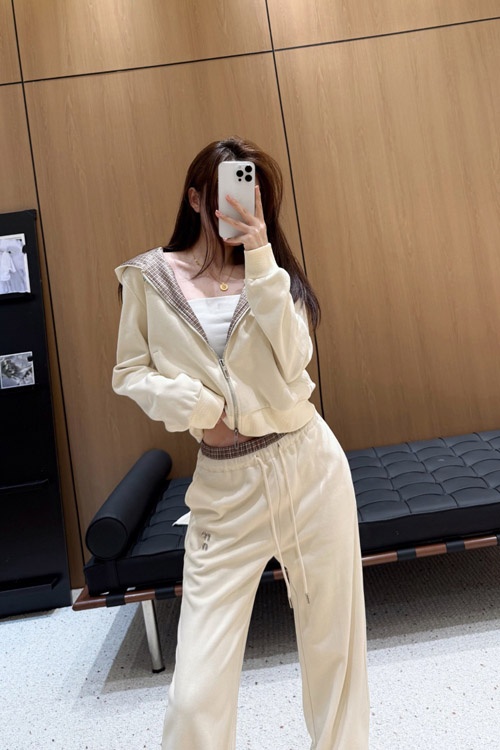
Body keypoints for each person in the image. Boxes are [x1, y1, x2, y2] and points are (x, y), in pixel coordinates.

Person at [112, 137, 370, 749]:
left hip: (309, 467)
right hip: (225, 490)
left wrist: (261, 259)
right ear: (195, 198)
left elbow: (296, 361)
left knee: (335, 653)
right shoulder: (149, 278)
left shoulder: (272, 275)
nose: (240, 205)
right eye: (225, 192)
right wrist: (199, 409)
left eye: (252, 195)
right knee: (195, 694)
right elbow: (129, 373)